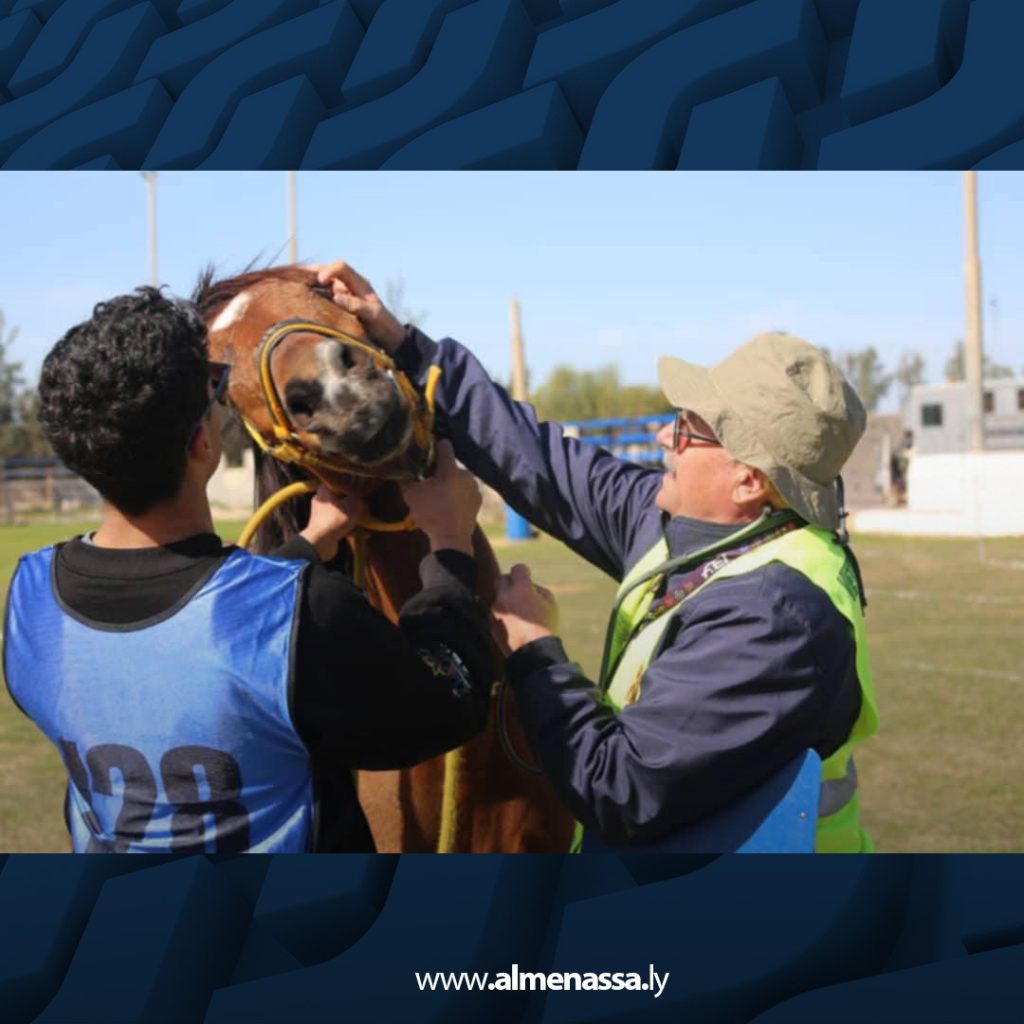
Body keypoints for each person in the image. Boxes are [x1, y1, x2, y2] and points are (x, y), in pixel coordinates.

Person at [312, 261, 880, 854]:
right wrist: (405, 345)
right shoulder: (706, 528)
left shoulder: (777, 617)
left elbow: (620, 789)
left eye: (688, 429)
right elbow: (543, 463)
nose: (665, 437)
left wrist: (533, 647)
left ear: (747, 481)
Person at [2, 287, 495, 854]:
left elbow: (178, 640)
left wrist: (309, 544)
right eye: (215, 389)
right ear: (202, 442)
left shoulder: (31, 597)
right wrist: (451, 541)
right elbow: (450, 698)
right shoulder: (300, 610)